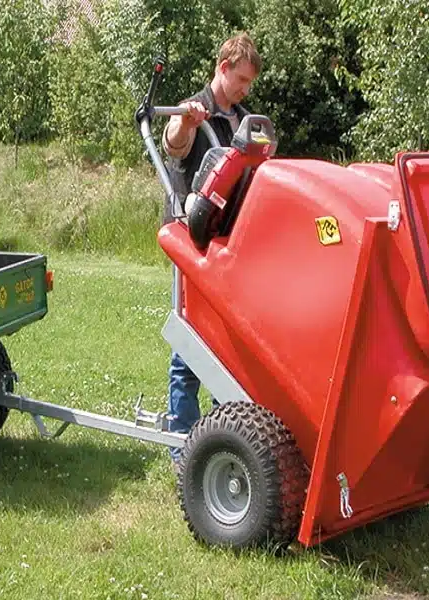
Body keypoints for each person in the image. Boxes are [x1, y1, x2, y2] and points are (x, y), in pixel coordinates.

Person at [161, 32, 262, 467]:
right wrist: (185, 121)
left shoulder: (243, 120)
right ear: (222, 68)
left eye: (248, 84)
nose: (244, 89)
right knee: (190, 345)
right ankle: (183, 449)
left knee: (226, 345)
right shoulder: (195, 109)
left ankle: (223, 438)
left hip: (229, 244)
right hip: (193, 242)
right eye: (240, 80)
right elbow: (174, 143)